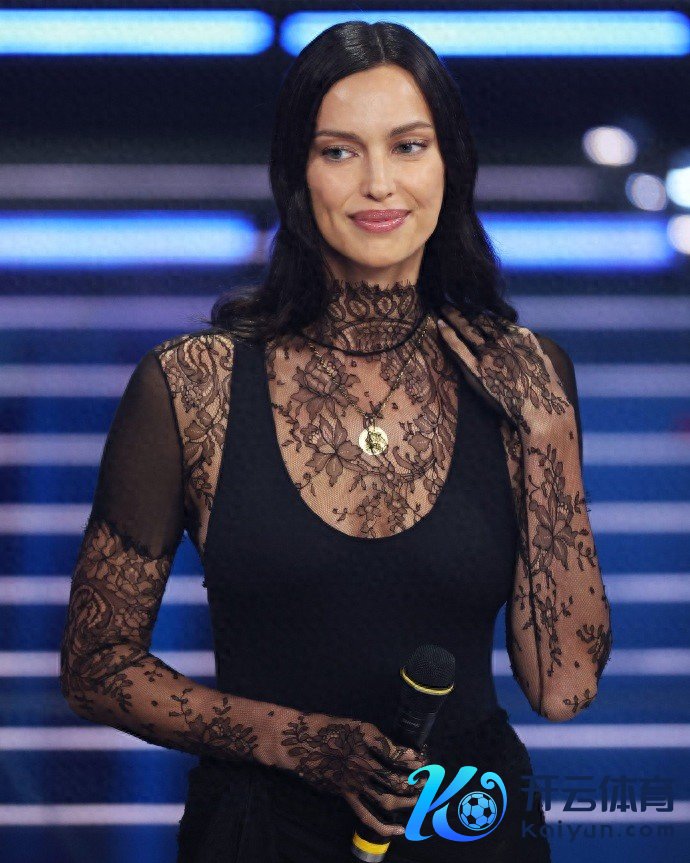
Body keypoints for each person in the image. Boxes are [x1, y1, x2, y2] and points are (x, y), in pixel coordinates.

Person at [59, 20, 612, 863]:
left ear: (449, 164)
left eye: (408, 145)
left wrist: (547, 436)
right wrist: (294, 740)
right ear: (297, 174)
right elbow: (96, 663)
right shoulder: (193, 383)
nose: (379, 182)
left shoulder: (530, 375)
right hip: (260, 833)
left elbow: (564, 686)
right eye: (340, 151)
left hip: (470, 830)